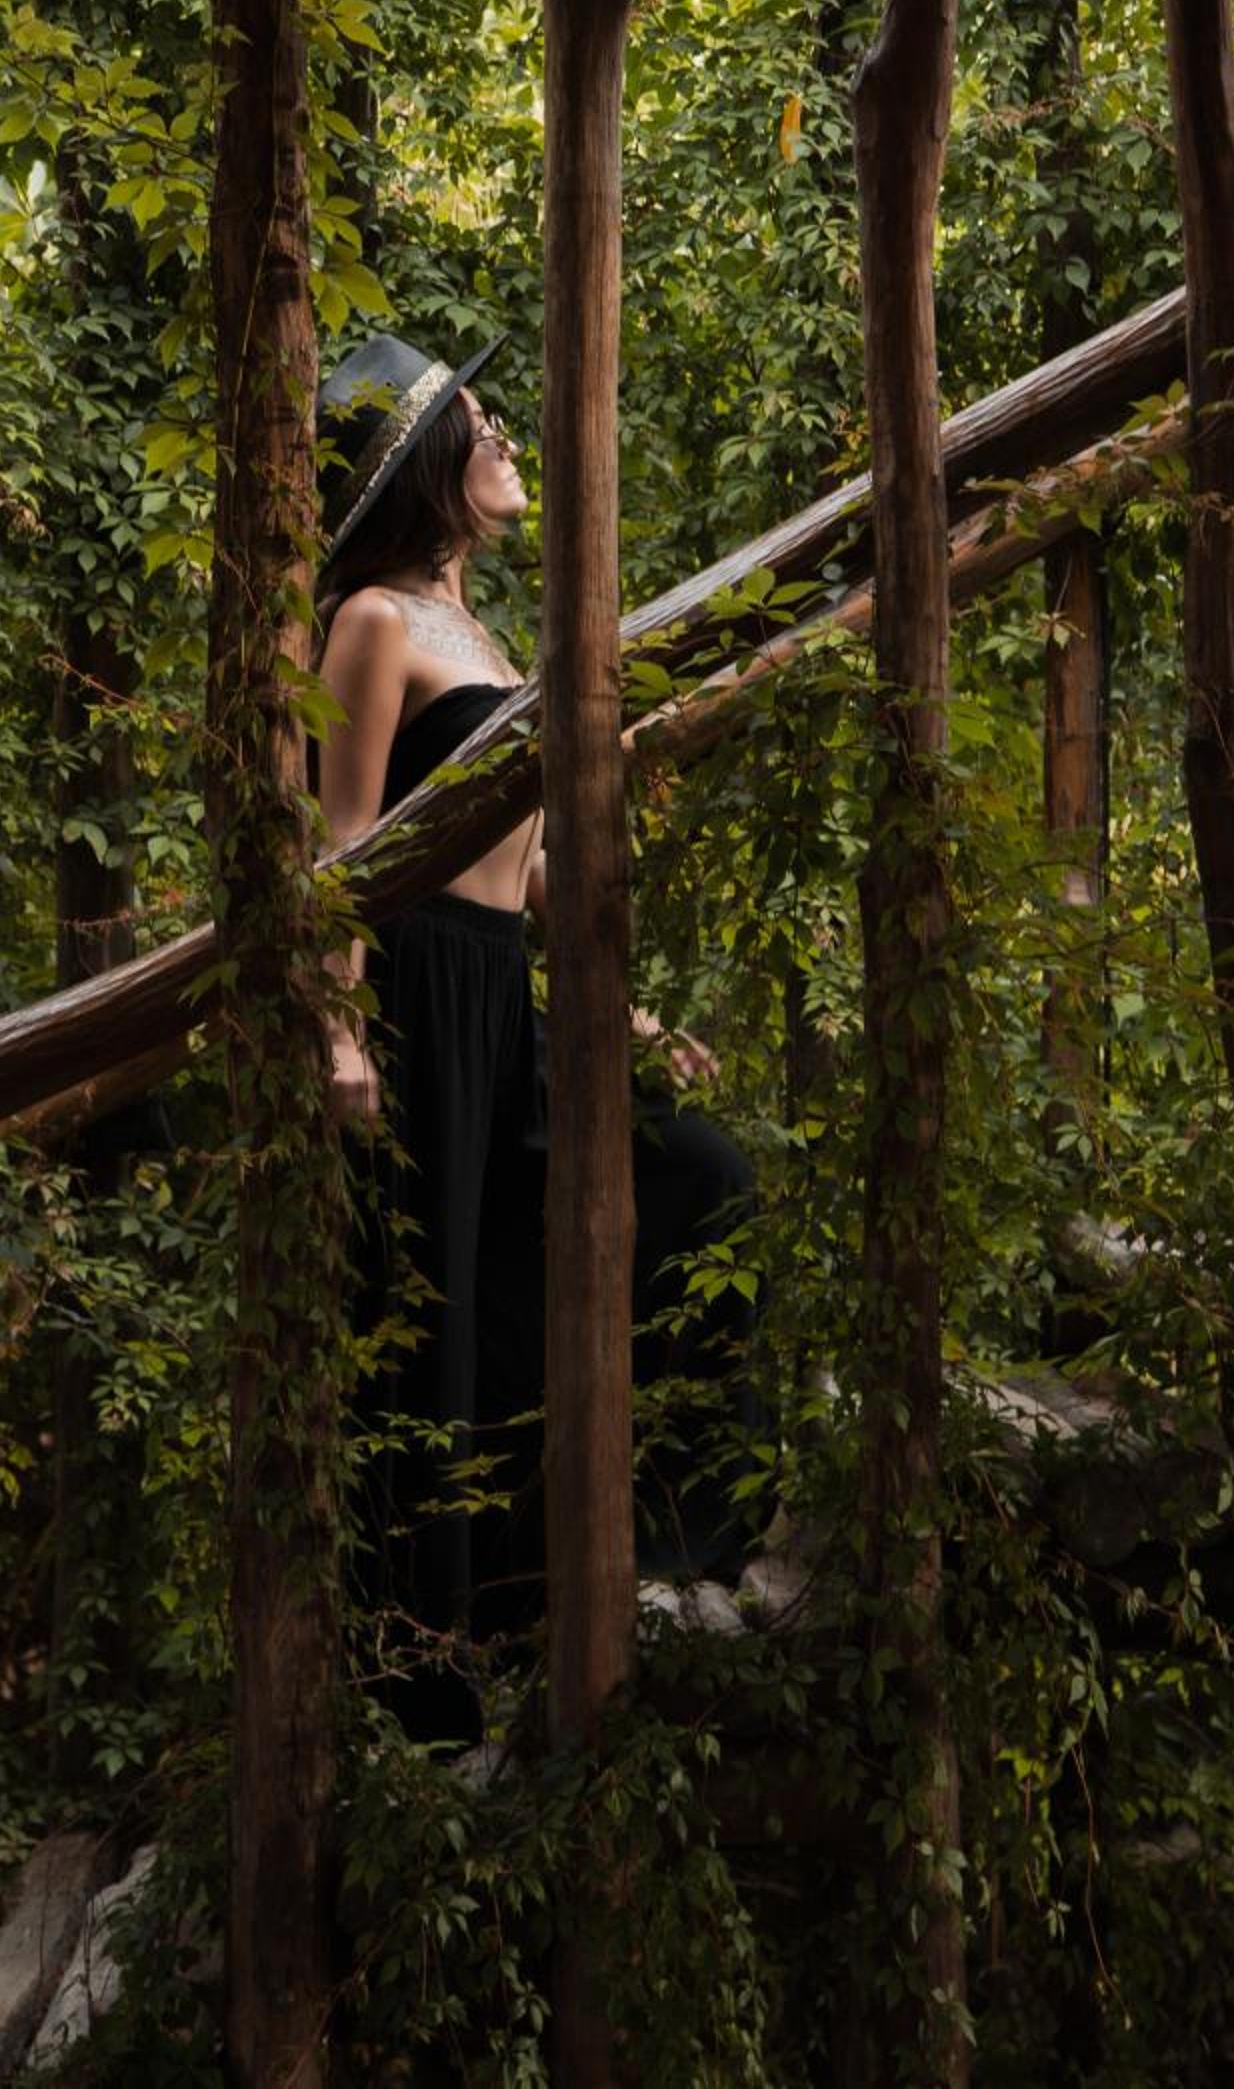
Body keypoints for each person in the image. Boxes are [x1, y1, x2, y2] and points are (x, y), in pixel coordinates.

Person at [314, 333, 759, 1732]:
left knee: (698, 1178)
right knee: (436, 1309)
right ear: (422, 463)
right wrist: (341, 1032)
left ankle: (652, 1559)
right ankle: (419, 1688)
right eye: (476, 418)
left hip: (505, 985)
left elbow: (541, 868)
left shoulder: (486, 638)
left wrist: (629, 1015)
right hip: (417, 990)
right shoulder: (372, 621)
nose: (502, 434)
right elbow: (341, 844)